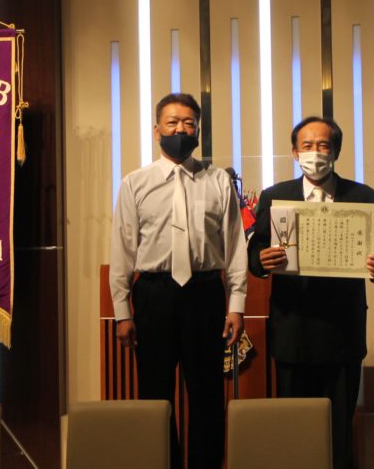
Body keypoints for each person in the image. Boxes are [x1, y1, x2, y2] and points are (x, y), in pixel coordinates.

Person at [248, 116, 374, 469]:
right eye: (307, 145)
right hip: (292, 331)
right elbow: (254, 255)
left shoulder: (363, 197)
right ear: (294, 152)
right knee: (295, 428)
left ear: (336, 151)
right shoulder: (275, 196)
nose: (315, 153)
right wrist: (262, 260)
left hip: (342, 332)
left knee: (339, 430)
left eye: (323, 145)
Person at [110, 92, 247, 469]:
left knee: (207, 393)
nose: (180, 130)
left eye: (189, 123)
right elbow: (122, 249)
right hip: (154, 294)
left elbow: (235, 246)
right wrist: (122, 312)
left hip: (205, 293)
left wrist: (236, 305)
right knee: (155, 394)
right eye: (172, 123)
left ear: (198, 131)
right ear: (157, 131)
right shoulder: (135, 183)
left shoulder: (218, 180)